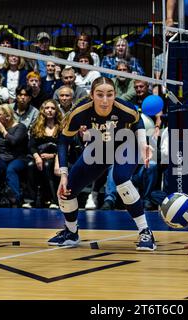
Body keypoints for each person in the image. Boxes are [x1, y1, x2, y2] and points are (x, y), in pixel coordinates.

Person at [49, 77, 156, 250]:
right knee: (66, 190)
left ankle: (145, 231)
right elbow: (63, 141)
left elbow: (138, 121)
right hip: (99, 148)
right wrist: (63, 173)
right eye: (100, 95)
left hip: (126, 144)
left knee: (121, 179)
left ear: (115, 95)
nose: (105, 100)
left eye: (110, 94)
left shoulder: (123, 107)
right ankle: (71, 232)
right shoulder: (80, 112)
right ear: (91, 95)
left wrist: (143, 145)